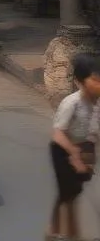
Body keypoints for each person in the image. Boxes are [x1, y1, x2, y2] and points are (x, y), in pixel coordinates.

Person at [49, 53, 100, 240]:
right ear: (80, 81)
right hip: (61, 149)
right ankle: (67, 234)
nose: (98, 85)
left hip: (82, 149)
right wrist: (75, 156)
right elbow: (58, 134)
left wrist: (89, 158)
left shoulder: (97, 104)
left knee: (71, 193)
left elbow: (93, 134)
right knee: (68, 194)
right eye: (94, 80)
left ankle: (55, 232)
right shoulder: (72, 103)